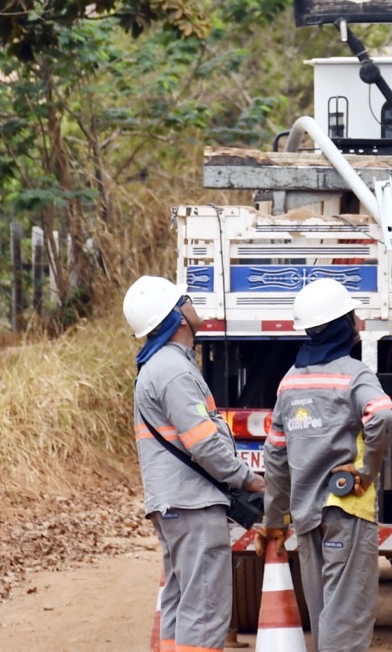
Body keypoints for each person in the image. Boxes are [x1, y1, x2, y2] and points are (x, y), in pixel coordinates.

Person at [259, 278, 392, 652]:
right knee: (346, 618)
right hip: (345, 512)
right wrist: (367, 472)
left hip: (305, 518)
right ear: (344, 325)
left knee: (323, 616)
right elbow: (382, 417)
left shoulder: (288, 384)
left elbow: (275, 458)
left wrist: (273, 521)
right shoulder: (354, 375)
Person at [127, 274, 263, 652]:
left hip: (175, 504)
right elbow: (203, 444)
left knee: (181, 600)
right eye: (185, 299)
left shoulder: (158, 367)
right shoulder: (174, 371)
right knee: (204, 609)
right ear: (178, 317)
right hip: (193, 506)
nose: (192, 302)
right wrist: (248, 479)